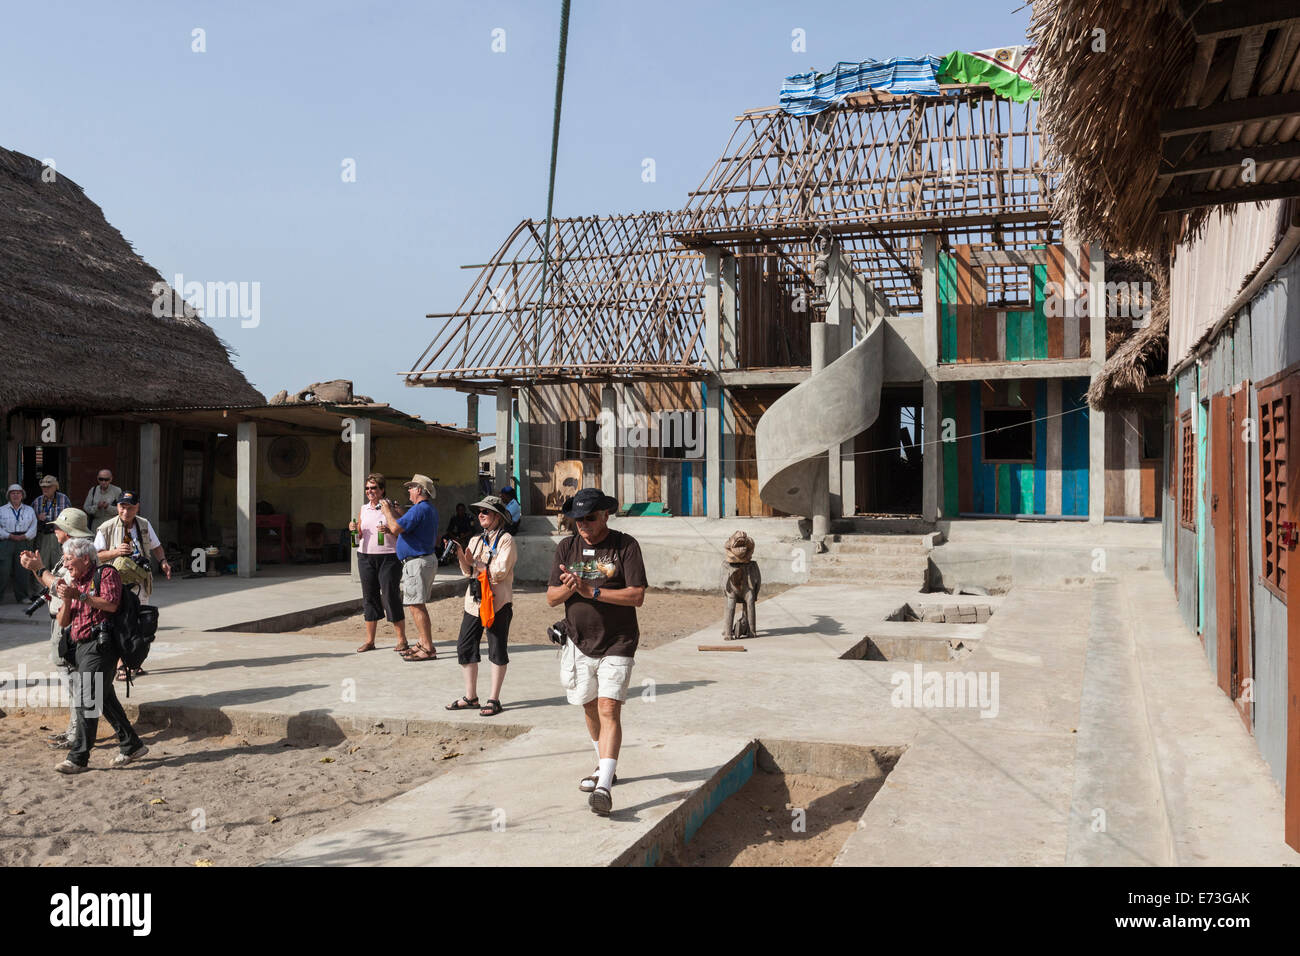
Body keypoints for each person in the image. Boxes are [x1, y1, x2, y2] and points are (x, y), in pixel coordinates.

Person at [546, 487, 647, 816]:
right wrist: (569, 587)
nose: (582, 524)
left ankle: (603, 785)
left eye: (589, 517)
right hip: (577, 641)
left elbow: (636, 596)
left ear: (605, 515)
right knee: (589, 706)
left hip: (618, 641)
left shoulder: (625, 545)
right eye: (576, 518)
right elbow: (551, 598)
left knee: (608, 709)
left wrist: (592, 590)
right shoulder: (566, 546)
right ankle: (605, 767)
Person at [52, 536, 149, 774]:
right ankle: (132, 745)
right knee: (104, 699)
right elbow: (64, 621)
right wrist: (67, 598)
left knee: (88, 700)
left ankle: (78, 757)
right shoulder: (74, 581)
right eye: (64, 560)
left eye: (68, 559)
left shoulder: (105, 574)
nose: (65, 565)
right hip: (81, 647)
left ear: (85, 558)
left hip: (102, 646)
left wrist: (80, 596)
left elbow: (111, 604)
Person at [20, 507, 93, 753]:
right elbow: (52, 586)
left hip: (69, 623)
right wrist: (36, 568)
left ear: (68, 531)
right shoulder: (69, 554)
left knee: (73, 681)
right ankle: (76, 731)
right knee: (72, 681)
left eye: (58, 527)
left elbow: (61, 587)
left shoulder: (78, 557)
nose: (55, 530)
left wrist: (40, 568)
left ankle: (77, 734)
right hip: (61, 619)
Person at [445, 496, 516, 717]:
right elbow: (468, 573)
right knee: (465, 646)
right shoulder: (475, 540)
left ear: (497, 516)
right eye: (479, 512)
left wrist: (474, 562)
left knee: (496, 649)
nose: (481, 515)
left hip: (497, 603)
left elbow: (499, 572)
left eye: (486, 512)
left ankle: (494, 699)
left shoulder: (507, 540)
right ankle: (471, 697)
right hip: (474, 602)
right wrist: (461, 556)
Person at [379, 474, 440, 662]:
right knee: (416, 604)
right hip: (421, 560)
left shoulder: (419, 509)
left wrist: (387, 511)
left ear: (420, 490)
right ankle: (423, 643)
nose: (409, 490)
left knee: (416, 605)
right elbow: (405, 527)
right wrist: (397, 515)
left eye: (411, 487)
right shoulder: (426, 509)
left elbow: (397, 529)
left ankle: (428, 647)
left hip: (417, 562)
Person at [349, 473, 408, 654]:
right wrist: (353, 529)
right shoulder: (364, 508)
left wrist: (389, 530)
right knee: (369, 597)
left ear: (382, 490)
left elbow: (402, 531)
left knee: (390, 595)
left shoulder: (392, 507)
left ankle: (402, 640)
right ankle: (370, 640)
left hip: (389, 557)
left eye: (373, 488)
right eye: (367, 488)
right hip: (365, 556)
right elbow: (359, 534)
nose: (370, 491)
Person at [93, 492, 172, 599]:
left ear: (137, 507)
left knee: (141, 613)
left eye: (130, 508)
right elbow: (95, 556)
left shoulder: (144, 524)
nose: (126, 512)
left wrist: (163, 561)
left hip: (140, 582)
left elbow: (156, 546)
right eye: (122, 507)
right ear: (117, 506)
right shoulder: (106, 528)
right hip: (114, 583)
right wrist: (116, 552)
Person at [0, 483, 38, 603]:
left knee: (23, 569)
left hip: (24, 541)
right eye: (13, 493)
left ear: (22, 495)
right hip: (6, 541)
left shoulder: (29, 510)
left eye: (18, 493)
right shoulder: (1, 510)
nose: (16, 495)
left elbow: (34, 526)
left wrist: (25, 536)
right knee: (3, 570)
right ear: (9, 495)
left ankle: (22, 597)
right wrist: (9, 535)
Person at [31, 476, 71, 571]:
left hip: (58, 536)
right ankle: (41, 586)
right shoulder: (37, 501)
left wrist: (61, 520)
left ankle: (56, 584)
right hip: (42, 536)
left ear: (55, 487)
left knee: (58, 564)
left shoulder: (63, 499)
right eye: (43, 487)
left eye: (48, 487)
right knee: (42, 563)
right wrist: (37, 517)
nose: (45, 489)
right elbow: (29, 519)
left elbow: (70, 516)